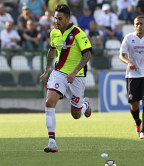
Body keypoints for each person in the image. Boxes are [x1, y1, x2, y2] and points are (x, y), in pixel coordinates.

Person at [40, 4, 92, 153]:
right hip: (59, 73)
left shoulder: (78, 33)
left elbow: (87, 55)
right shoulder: (54, 33)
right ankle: (52, 142)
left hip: (77, 76)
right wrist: (46, 71)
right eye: (55, 18)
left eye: (60, 18)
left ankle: (85, 106)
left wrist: (74, 73)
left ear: (68, 18)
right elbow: (52, 51)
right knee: (49, 102)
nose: (57, 21)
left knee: (75, 114)